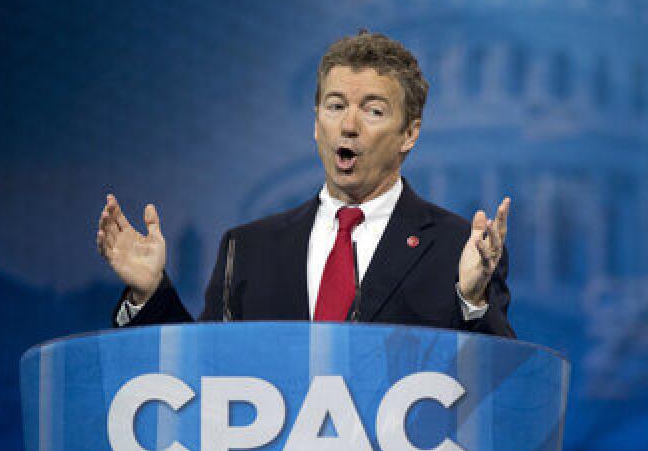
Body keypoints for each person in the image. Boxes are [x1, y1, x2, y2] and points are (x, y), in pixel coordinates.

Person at [95, 31, 513, 337]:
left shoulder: (458, 250)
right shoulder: (248, 249)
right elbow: (202, 378)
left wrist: (472, 301)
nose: (348, 126)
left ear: (410, 133)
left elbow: (503, 392)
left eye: (373, 110)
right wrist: (149, 294)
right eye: (335, 107)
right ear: (316, 123)